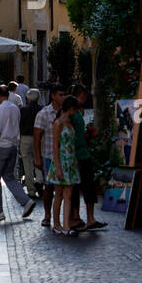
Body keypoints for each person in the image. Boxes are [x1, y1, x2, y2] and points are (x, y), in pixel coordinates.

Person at [0, 84, 36, 222]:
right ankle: (26, 201)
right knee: (9, 177)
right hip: (13, 146)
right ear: (8, 95)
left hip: (1, 146)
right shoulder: (15, 108)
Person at [69, 82, 108, 231]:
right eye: (82, 97)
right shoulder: (71, 113)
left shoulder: (79, 111)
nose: (84, 100)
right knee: (76, 187)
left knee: (88, 186)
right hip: (77, 154)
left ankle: (90, 218)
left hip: (83, 152)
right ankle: (76, 218)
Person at [46, 95, 82, 234]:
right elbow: (55, 147)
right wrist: (58, 168)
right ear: (71, 109)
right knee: (59, 195)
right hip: (61, 161)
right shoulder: (58, 124)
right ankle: (57, 223)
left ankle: (66, 224)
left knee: (68, 195)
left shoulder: (69, 123)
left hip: (70, 162)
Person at [33, 83, 66, 227]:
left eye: (64, 94)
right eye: (61, 94)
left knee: (66, 188)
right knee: (49, 187)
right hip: (49, 156)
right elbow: (36, 137)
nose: (63, 97)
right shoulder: (43, 114)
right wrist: (37, 157)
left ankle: (65, 216)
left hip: (65, 157)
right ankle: (47, 215)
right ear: (53, 96)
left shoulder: (67, 113)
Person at [19, 87, 42, 198]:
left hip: (25, 138)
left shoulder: (23, 110)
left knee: (27, 163)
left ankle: (31, 189)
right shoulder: (42, 109)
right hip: (40, 138)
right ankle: (40, 181)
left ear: (27, 98)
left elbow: (20, 124)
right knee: (39, 159)